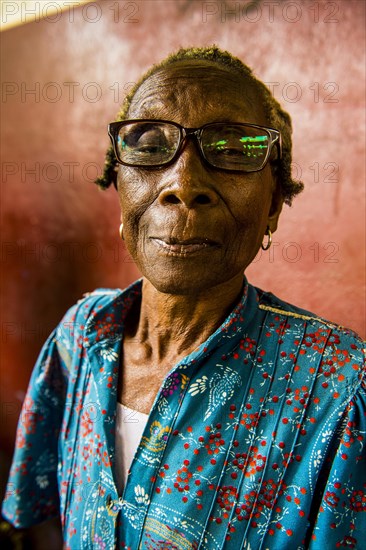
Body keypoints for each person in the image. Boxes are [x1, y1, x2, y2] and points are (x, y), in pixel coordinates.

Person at [2, 46, 365, 550]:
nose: (184, 183)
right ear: (119, 187)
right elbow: (34, 520)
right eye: (150, 146)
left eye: (234, 150)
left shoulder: (338, 389)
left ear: (274, 207)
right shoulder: (81, 336)